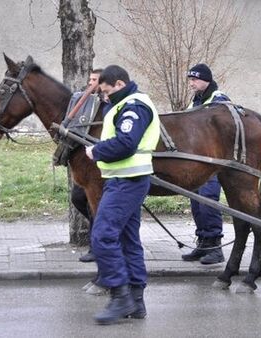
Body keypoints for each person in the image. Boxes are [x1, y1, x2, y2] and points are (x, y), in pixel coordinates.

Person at [85, 65, 160, 325]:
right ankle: (136, 301)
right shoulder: (124, 104)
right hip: (123, 180)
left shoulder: (133, 106)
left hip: (128, 181)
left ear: (118, 84)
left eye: (105, 91)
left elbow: (126, 143)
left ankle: (120, 296)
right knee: (128, 240)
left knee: (102, 235)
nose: (104, 97)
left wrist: (96, 151)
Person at [181, 63, 230, 265]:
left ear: (205, 80)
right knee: (196, 202)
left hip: (213, 161)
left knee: (208, 201)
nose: (191, 83)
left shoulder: (219, 100)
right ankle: (203, 243)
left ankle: (216, 248)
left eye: (194, 79)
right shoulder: (196, 101)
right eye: (190, 79)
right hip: (197, 161)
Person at [68, 68, 103, 263]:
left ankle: (97, 245)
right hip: (87, 163)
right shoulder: (85, 103)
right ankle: (100, 234)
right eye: (90, 79)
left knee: (96, 205)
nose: (91, 84)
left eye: (95, 80)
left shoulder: (106, 105)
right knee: (79, 198)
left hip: (101, 164)